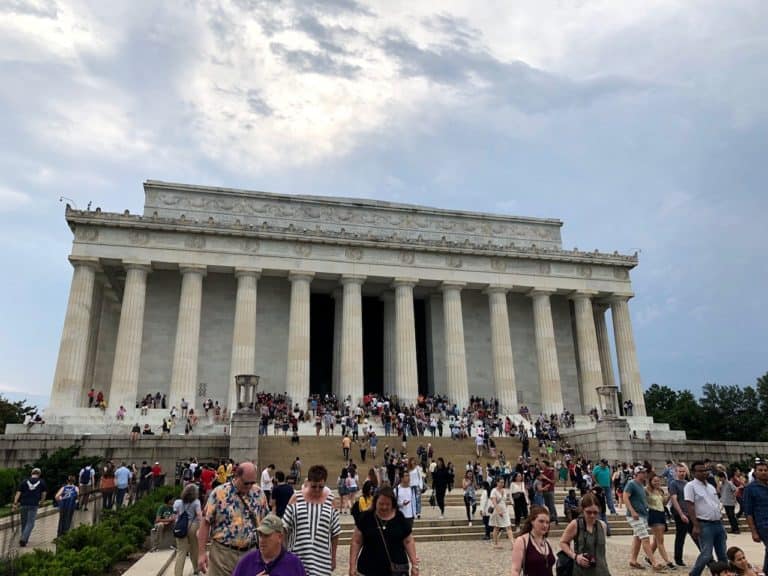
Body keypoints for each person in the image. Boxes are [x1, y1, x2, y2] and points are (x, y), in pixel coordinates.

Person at [197, 462, 266, 576]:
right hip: (223, 555)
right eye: (246, 483)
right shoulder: (219, 493)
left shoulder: (259, 494)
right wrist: (201, 553)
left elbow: (265, 522)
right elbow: (205, 523)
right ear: (236, 476)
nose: (249, 486)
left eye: (252, 482)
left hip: (250, 554)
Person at [348, 485, 419, 576]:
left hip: (396, 569)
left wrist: (414, 565)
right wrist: (352, 565)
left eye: (387, 504)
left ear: (393, 503)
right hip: (368, 568)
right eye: (381, 504)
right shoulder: (366, 518)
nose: (384, 507)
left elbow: (408, 541)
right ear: (375, 502)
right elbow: (356, 542)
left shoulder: (400, 518)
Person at [283, 464, 341, 576]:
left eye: (321, 487)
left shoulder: (331, 502)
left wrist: (333, 557)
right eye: (314, 486)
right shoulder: (296, 499)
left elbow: (335, 533)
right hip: (297, 559)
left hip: (322, 562)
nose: (317, 490)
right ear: (308, 482)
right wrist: (284, 553)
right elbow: (284, 528)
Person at [686, 460, 728, 576]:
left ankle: (722, 573)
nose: (704, 473)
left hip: (717, 523)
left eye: (705, 470)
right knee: (706, 554)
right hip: (704, 524)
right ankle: (694, 573)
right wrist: (695, 525)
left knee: (723, 555)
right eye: (700, 471)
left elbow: (715, 503)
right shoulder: (690, 486)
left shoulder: (711, 487)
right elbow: (690, 505)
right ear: (694, 473)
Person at [232, 514, 307, 576]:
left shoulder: (294, 564)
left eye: (266, 535)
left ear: (280, 537)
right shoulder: (246, 562)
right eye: (260, 535)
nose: (262, 540)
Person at [624, 465, 666, 571]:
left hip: (642, 515)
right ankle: (654, 563)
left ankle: (633, 560)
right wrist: (632, 511)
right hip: (635, 515)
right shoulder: (631, 484)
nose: (644, 474)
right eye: (642, 472)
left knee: (638, 538)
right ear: (637, 474)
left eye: (645, 472)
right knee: (645, 538)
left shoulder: (641, 486)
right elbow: (625, 497)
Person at [559, 493, 610, 576]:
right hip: (581, 571)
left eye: (595, 512)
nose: (592, 515)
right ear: (583, 510)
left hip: (601, 570)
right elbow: (562, 542)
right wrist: (575, 556)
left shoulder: (603, 526)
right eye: (589, 512)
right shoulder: (575, 524)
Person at [510, 506, 556, 576]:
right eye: (541, 521)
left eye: (547, 522)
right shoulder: (522, 541)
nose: (545, 525)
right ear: (532, 521)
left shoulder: (547, 542)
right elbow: (515, 570)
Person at [669, 463, 697, 567]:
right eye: (680, 471)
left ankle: (707, 558)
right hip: (680, 513)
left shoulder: (688, 483)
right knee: (681, 536)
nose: (682, 473)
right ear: (676, 472)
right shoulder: (673, 483)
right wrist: (681, 514)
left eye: (683, 471)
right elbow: (674, 499)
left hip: (689, 513)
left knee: (696, 536)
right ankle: (678, 558)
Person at [743, 459, 768, 576]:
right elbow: (748, 511)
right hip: (763, 524)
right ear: (755, 472)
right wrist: (754, 532)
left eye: (766, 470)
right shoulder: (750, 489)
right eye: (761, 470)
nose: (764, 472)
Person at [646, 471, 675, 569]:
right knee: (660, 541)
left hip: (661, 513)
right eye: (654, 481)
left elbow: (663, 503)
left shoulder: (660, 491)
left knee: (656, 539)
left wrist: (669, 496)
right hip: (653, 513)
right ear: (650, 481)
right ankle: (668, 561)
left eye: (658, 481)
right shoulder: (647, 491)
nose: (657, 482)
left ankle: (649, 557)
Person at [173, 483, 202, 576]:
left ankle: (178, 574)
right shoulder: (196, 502)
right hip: (193, 526)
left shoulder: (178, 502)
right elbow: (199, 515)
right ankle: (196, 569)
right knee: (194, 549)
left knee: (181, 551)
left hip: (181, 526)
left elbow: (176, 514)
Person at [489, 476, 514, 548]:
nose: (502, 484)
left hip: (504, 510)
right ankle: (496, 543)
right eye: (501, 482)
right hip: (497, 511)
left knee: (508, 526)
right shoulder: (494, 491)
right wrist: (498, 511)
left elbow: (504, 501)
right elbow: (494, 502)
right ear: (497, 482)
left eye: (503, 482)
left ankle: (513, 543)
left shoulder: (504, 490)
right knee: (497, 527)